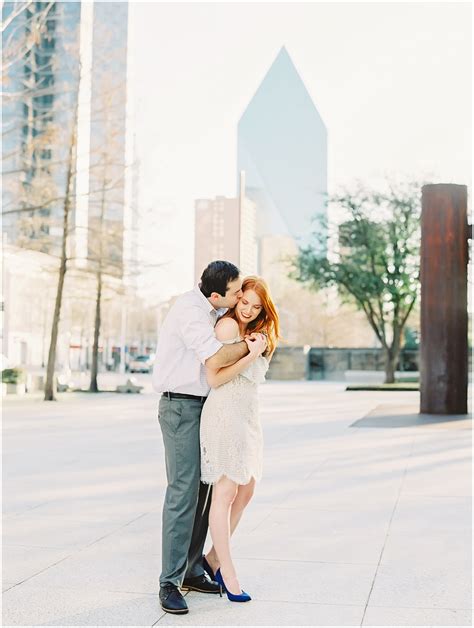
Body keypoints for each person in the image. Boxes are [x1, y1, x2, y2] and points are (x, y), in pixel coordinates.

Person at [152, 261, 267, 615]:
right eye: (234, 293)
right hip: (180, 406)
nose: (237, 299)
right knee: (184, 491)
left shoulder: (213, 310)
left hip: (205, 408)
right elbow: (216, 358)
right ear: (216, 294)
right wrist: (252, 346)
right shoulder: (190, 310)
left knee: (205, 490)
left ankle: (191, 568)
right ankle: (169, 583)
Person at [199, 275, 280, 602]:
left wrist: (260, 347)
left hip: (246, 415)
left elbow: (256, 378)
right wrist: (249, 353)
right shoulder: (228, 329)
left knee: (247, 489)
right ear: (237, 299)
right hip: (224, 413)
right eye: (244, 302)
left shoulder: (256, 332)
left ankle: (213, 558)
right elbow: (216, 378)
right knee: (227, 490)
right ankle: (227, 573)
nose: (247, 309)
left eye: (256, 306)